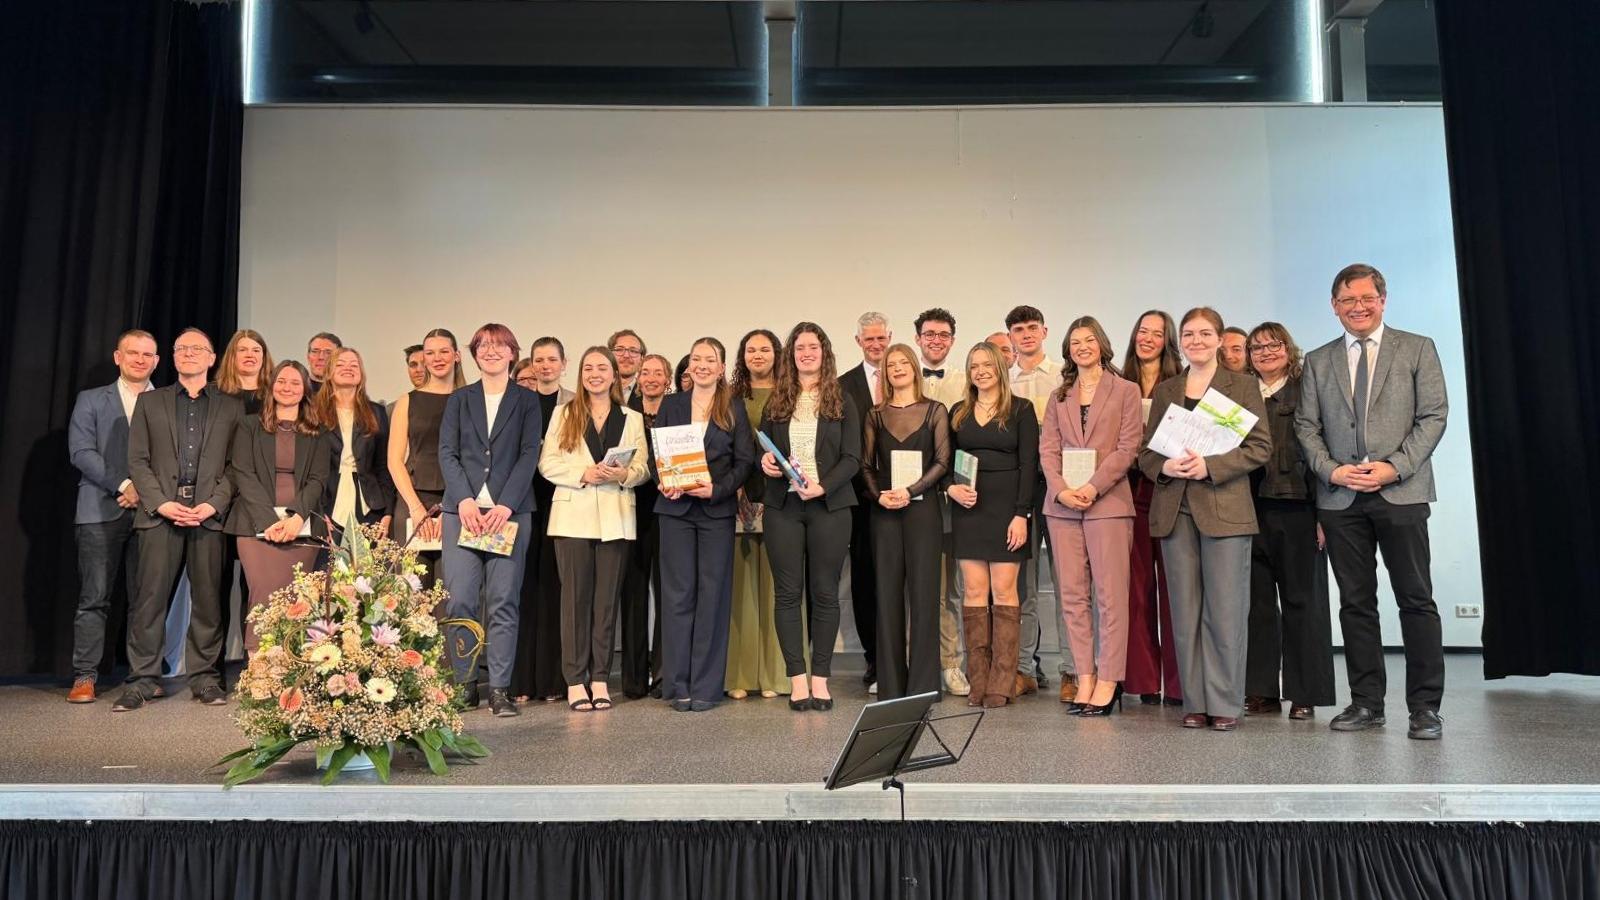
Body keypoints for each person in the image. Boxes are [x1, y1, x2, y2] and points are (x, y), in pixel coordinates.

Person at [1295, 263, 1448, 741]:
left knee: (1416, 601)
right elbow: (1306, 426)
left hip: (1400, 492)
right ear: (1334, 306)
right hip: (1340, 498)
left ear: (1383, 300)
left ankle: (1424, 708)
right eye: (1347, 300)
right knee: (1356, 605)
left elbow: (1433, 416)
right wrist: (1333, 470)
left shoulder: (1417, 348)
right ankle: (1366, 704)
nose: (1357, 307)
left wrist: (1394, 467)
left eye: (1366, 298)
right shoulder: (1319, 361)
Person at [1137, 307, 1271, 732]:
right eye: (1189, 334)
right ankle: (1194, 701)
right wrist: (1166, 468)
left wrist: (1210, 466)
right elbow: (1147, 453)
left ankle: (1226, 703)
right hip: (1175, 511)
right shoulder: (1167, 391)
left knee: (1226, 612)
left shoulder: (1244, 386)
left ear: (1219, 339)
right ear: (1182, 341)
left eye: (1205, 333)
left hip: (1225, 510)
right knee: (1185, 611)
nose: (1197, 340)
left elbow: (1259, 448)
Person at [118, 328, 242, 711]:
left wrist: (211, 504)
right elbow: (137, 460)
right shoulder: (150, 403)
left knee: (208, 601)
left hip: (207, 516)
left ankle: (204, 678)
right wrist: (160, 503)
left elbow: (237, 466)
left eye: (197, 348)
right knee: (149, 602)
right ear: (172, 358)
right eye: (181, 348)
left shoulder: (232, 407)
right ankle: (142, 680)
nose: (188, 353)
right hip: (160, 516)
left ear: (211, 358)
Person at [438, 324, 543, 717]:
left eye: (499, 346)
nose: (491, 351)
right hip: (461, 513)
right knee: (461, 600)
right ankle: (464, 685)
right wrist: (464, 499)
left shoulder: (526, 400)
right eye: (484, 346)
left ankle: (499, 689)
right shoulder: (459, 400)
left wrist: (505, 505)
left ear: (513, 354)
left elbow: (529, 453)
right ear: (474, 353)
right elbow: (447, 452)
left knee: (503, 602)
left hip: (509, 515)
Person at [1039, 317, 1143, 716]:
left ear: (1102, 344)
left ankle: (1109, 679)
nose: (1082, 346)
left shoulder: (1126, 391)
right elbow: (1048, 449)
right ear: (1068, 349)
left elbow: (1127, 447)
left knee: (1110, 598)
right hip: (1062, 506)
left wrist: (1093, 486)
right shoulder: (1058, 395)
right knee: (1072, 597)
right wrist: (1062, 489)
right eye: (1075, 342)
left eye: (1089, 340)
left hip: (1109, 505)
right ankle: (1083, 676)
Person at [539, 347, 652, 713]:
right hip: (573, 518)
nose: (595, 374)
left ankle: (600, 678)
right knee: (575, 602)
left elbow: (644, 469)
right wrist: (582, 475)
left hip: (616, 520)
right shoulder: (564, 412)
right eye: (589, 368)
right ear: (581, 374)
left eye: (603, 368)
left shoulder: (630, 417)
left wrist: (624, 475)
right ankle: (575, 681)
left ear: (614, 374)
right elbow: (547, 464)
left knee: (605, 605)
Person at [759, 323, 862, 712]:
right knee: (787, 594)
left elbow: (852, 457)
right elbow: (766, 451)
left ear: (825, 352)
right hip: (783, 507)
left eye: (813, 346)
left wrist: (823, 486)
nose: (806, 353)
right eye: (799, 347)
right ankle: (797, 680)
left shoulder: (843, 399)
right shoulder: (777, 401)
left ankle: (820, 679)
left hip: (829, 507)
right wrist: (766, 462)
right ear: (791, 354)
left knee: (825, 593)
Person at [653, 337, 754, 712]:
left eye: (710, 359)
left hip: (715, 511)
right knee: (678, 597)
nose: (702, 365)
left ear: (721, 366)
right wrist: (663, 479)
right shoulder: (672, 404)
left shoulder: (734, 407)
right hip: (675, 510)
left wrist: (717, 489)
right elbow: (656, 454)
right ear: (689, 366)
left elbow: (745, 461)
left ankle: (707, 687)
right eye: (696, 359)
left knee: (713, 597)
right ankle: (677, 685)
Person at [1243, 322, 1335, 720]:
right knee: (1257, 605)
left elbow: (1325, 452)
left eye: (1273, 344)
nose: (1265, 352)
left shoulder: (1307, 392)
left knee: (1303, 602)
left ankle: (1304, 693)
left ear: (1289, 348)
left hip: (1300, 509)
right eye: (1256, 347)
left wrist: (1324, 514)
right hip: (1249, 511)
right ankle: (1260, 691)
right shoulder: (1240, 397)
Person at [66, 330, 158, 703]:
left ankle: (143, 676)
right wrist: (123, 485)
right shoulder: (91, 400)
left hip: (152, 513)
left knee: (145, 601)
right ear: (117, 357)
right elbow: (81, 452)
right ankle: (85, 675)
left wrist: (146, 492)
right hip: (99, 510)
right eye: (132, 353)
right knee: (95, 597)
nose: (140, 359)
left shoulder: (166, 401)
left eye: (147, 354)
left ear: (156, 360)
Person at [948, 341, 1038, 709]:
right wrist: (951, 488)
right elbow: (945, 460)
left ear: (1000, 367)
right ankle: (978, 681)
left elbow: (1029, 465)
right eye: (974, 366)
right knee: (972, 592)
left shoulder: (1021, 409)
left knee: (1004, 592)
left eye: (987, 364)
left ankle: (1002, 681)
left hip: (1006, 511)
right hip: (968, 510)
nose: (980, 370)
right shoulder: (958, 412)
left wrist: (1022, 514)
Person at [862, 343, 950, 700]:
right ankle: (891, 682)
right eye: (891, 364)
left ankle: (924, 684)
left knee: (925, 596)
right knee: (887, 595)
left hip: (922, 511)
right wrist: (878, 495)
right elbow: (866, 465)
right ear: (885, 372)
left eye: (903, 362)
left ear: (914, 367)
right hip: (884, 512)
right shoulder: (875, 414)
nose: (897, 368)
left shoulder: (935, 411)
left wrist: (912, 489)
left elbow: (943, 462)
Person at [225, 360, 329, 653]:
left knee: (298, 597)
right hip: (254, 524)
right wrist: (267, 520)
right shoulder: (248, 425)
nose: (288, 388)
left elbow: (318, 479)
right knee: (263, 593)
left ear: (305, 390)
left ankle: (291, 668)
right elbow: (243, 472)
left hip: (303, 527)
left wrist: (296, 517)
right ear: (271, 387)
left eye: (296, 383)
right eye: (282, 381)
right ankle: (259, 670)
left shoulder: (317, 431)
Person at [1120, 310, 1185, 707]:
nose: (1147, 338)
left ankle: (1178, 683)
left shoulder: (1180, 382)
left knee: (1175, 589)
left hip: (1170, 490)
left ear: (1167, 339)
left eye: (1156, 333)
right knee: (1136, 589)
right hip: (1126, 491)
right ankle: (1143, 680)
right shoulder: (1118, 381)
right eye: (1141, 331)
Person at [725, 329, 787, 700]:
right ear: (742, 356)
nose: (758, 355)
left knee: (779, 585)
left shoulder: (790, 394)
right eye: (751, 349)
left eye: (765, 349)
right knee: (743, 587)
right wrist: (736, 488)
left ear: (777, 354)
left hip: (782, 496)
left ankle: (777, 676)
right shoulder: (730, 397)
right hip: (738, 496)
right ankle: (741, 676)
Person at [510, 342, 571, 703]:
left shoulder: (574, 404)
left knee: (553, 587)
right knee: (520, 587)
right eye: (539, 360)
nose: (545, 366)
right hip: (519, 500)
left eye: (552, 360)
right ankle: (520, 682)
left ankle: (552, 679)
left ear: (564, 364)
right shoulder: (517, 402)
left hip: (561, 500)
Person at [914, 308, 970, 696]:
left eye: (943, 335)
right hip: (909, 499)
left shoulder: (968, 383)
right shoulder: (896, 378)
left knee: (949, 587)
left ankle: (951, 663)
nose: (936, 340)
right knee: (910, 586)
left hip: (950, 502)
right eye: (929, 334)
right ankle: (906, 664)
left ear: (952, 340)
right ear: (917, 338)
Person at [1005, 305, 1060, 697]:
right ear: (1010, 336)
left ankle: (1073, 669)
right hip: (1018, 489)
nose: (1026, 335)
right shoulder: (1001, 379)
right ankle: (1023, 666)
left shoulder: (1062, 376)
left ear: (1044, 331)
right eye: (1018, 329)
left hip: (1059, 484)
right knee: (1021, 585)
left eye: (1031, 328)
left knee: (1067, 581)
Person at [387, 329, 464, 587]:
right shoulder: (407, 401)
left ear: (457, 355)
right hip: (413, 500)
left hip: (457, 503)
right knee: (411, 594)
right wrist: (416, 508)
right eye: (430, 353)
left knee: (449, 593)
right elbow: (394, 460)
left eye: (444, 351)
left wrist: (451, 509)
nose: (437, 358)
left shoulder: (470, 400)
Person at [837, 312, 889, 691]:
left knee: (900, 580)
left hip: (908, 495)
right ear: (858, 342)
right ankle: (874, 659)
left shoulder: (908, 376)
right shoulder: (842, 386)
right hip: (860, 498)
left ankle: (902, 656)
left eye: (881, 338)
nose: (876, 345)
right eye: (869, 339)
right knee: (865, 579)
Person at [620, 352, 672, 698]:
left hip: (669, 509)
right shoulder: (624, 415)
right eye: (646, 372)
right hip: (632, 509)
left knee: (668, 593)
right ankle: (634, 678)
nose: (651, 378)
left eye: (658, 373)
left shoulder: (677, 411)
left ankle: (665, 673)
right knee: (633, 594)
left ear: (668, 380)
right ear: (637, 377)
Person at [314, 348, 393, 534]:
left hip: (370, 506)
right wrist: (315, 509)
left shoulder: (376, 412)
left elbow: (383, 466)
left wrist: (388, 512)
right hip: (325, 505)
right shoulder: (313, 411)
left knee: (367, 564)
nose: (348, 368)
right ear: (329, 372)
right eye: (340, 364)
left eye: (354, 365)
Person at [215, 329, 273, 415]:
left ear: (264, 357)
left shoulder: (275, 393)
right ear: (232, 356)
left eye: (256, 350)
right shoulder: (214, 393)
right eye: (242, 350)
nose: (249, 355)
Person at [608, 329, 647, 404]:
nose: (626, 355)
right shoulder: (595, 393)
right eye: (619, 350)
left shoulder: (649, 395)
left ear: (642, 359)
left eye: (633, 351)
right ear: (609, 356)